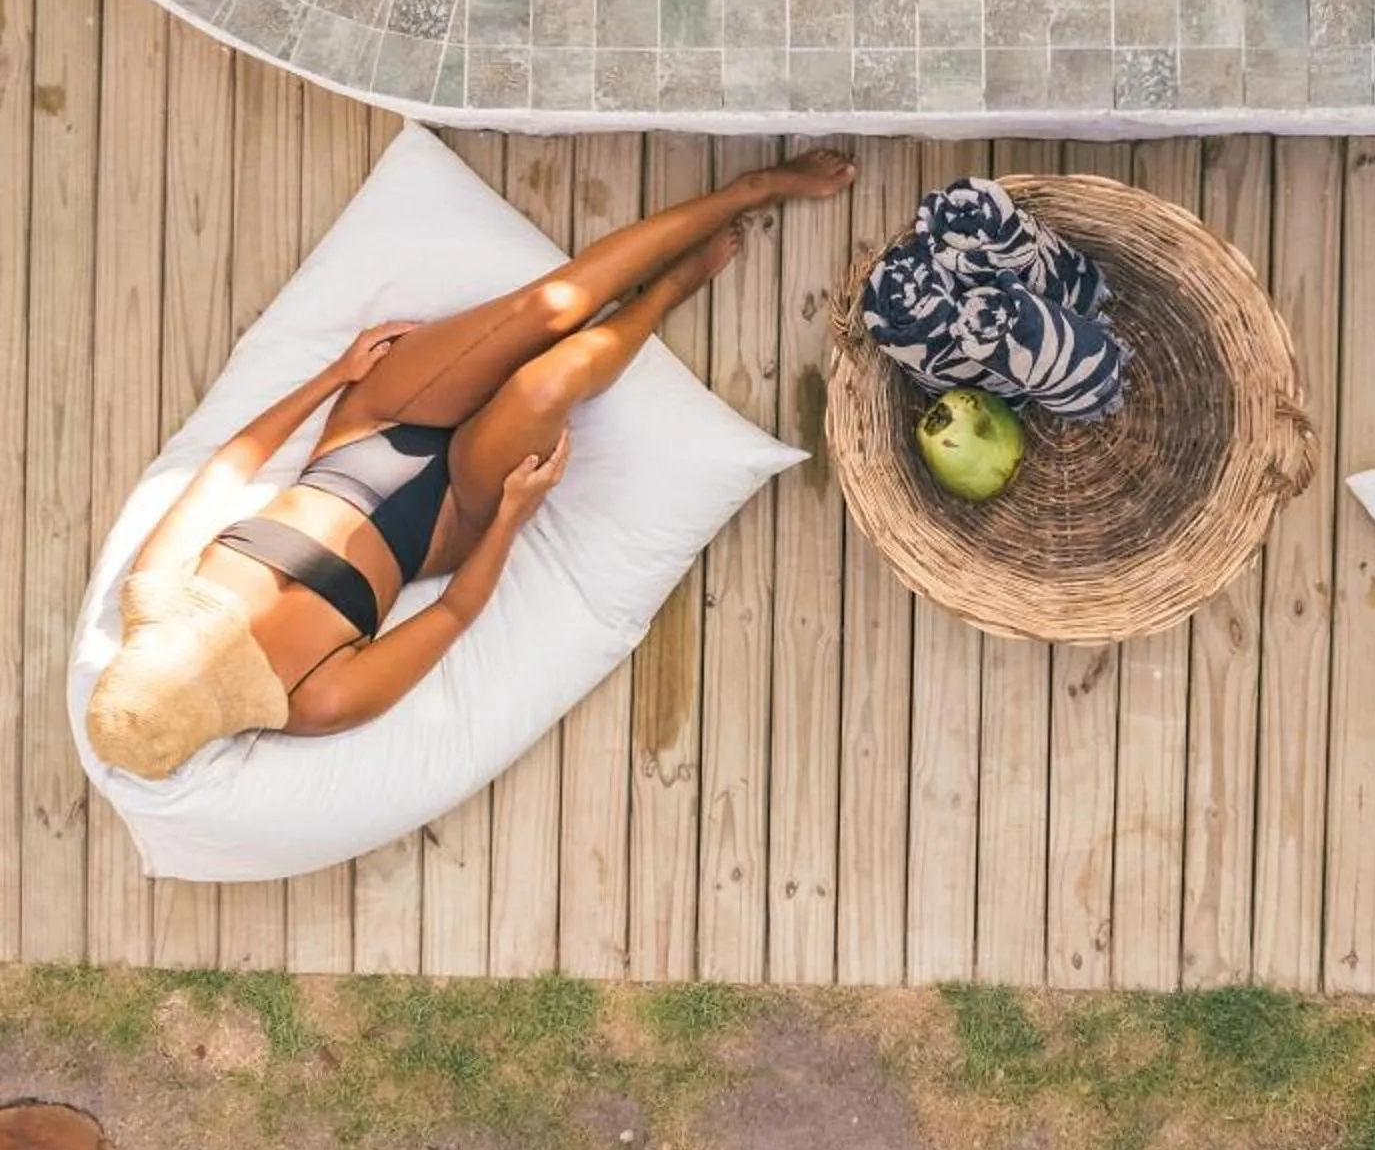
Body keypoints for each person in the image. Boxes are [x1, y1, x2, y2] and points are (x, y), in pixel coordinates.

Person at [86, 147, 857, 778]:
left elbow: (232, 465)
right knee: (549, 381)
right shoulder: (315, 703)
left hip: (369, 427)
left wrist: (335, 376)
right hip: (452, 513)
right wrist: (509, 519)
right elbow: (452, 614)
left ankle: (748, 189)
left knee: (549, 307)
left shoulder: (154, 591)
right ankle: (664, 295)